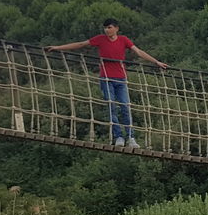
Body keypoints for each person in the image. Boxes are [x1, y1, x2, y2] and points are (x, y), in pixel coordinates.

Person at [45, 19, 168, 148]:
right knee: (111, 106)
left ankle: (131, 137)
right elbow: (81, 44)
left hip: (121, 78)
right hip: (106, 78)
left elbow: (138, 52)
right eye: (105, 28)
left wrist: (156, 62)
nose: (106, 30)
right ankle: (118, 136)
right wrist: (57, 48)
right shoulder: (100, 39)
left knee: (126, 107)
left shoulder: (123, 40)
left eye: (109, 27)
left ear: (116, 28)